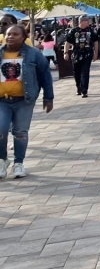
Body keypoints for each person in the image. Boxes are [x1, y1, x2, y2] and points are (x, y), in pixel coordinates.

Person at [0, 24, 54, 180]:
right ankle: (2, 160)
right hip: (2, 100)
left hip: (24, 100)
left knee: (20, 132)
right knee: (1, 130)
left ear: (24, 37)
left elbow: (45, 76)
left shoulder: (33, 54)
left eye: (15, 34)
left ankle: (18, 163)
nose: (10, 37)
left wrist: (48, 98)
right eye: (8, 34)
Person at [65, 16, 100, 97]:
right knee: (76, 72)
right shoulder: (74, 31)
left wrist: (96, 53)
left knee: (85, 72)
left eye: (88, 20)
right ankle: (79, 87)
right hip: (76, 54)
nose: (88, 22)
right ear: (81, 21)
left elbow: (96, 42)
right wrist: (66, 52)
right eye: (86, 20)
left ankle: (84, 90)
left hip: (87, 54)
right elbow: (67, 42)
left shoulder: (91, 30)